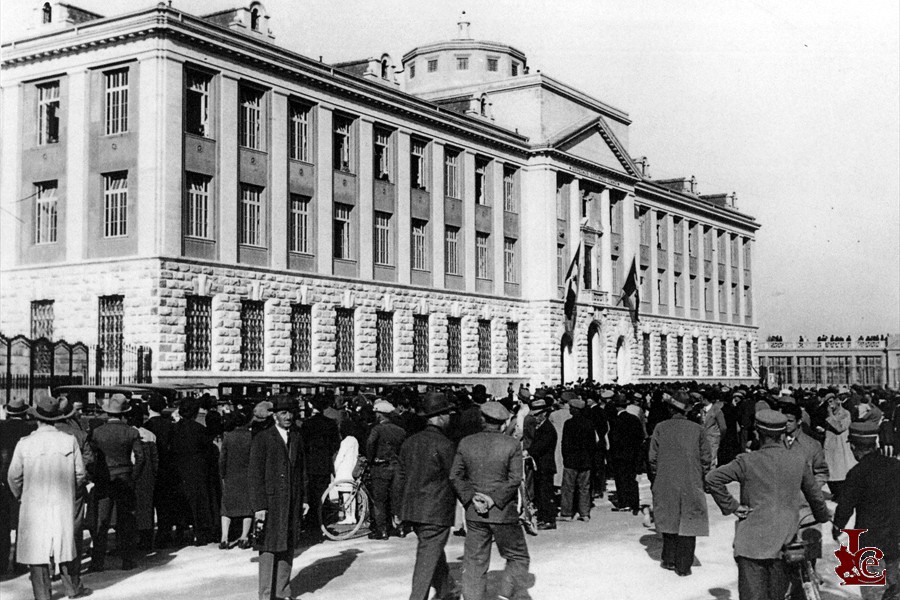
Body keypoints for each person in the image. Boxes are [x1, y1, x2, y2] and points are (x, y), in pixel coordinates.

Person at [706, 409, 831, 600]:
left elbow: (712, 478)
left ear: (757, 432)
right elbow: (815, 496)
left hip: (750, 544)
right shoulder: (798, 461)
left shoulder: (746, 461)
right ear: (782, 434)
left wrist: (732, 506)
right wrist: (823, 515)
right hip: (784, 542)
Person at [7, 393, 89, 600]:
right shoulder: (69, 441)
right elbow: (80, 474)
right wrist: (70, 490)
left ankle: (42, 594)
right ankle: (72, 588)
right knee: (65, 543)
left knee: (37, 548)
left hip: (33, 501)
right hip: (62, 500)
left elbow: (13, 476)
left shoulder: (25, 443)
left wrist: (21, 495)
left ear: (37, 418)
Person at [450, 401, 530, 600]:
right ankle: (505, 593)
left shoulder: (466, 442)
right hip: (503, 513)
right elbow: (515, 479)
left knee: (475, 561)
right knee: (517, 555)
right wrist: (493, 500)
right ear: (504, 423)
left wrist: (471, 498)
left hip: (474, 513)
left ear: (482, 420)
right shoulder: (511, 444)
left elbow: (455, 476)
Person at [397, 392, 460, 600]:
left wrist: (398, 509)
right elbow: (455, 477)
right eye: (448, 414)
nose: (450, 418)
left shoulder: (410, 442)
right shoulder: (445, 444)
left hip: (413, 510)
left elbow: (401, 477)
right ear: (440, 416)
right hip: (436, 511)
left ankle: (445, 591)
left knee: (432, 552)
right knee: (427, 557)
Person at [832, 422, 900, 600]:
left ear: (853, 447)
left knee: (874, 592)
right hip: (895, 540)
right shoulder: (895, 466)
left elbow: (845, 506)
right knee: (895, 590)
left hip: (870, 543)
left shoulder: (857, 473)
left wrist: (837, 527)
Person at [250, 395, 308, 600]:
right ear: (274, 416)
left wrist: (304, 499)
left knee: (287, 545)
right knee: (268, 548)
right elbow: (255, 475)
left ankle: (282, 591)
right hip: (271, 503)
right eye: (283, 413)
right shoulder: (263, 438)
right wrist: (259, 506)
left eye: (291, 412)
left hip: (292, 501)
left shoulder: (297, 438)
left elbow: (302, 471)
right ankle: (265, 595)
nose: (288, 417)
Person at [648, 392, 711, 577]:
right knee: (688, 519)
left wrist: (657, 474)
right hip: (691, 480)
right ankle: (684, 565)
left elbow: (652, 457)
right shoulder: (697, 429)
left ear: (669, 409)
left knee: (669, 516)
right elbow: (706, 458)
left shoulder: (660, 427)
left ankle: (669, 559)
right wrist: (702, 474)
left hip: (665, 479)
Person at [90, 393, 145, 571]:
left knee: (102, 520)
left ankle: (97, 561)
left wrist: (96, 475)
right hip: (125, 477)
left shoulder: (97, 432)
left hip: (104, 479)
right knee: (126, 519)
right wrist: (133, 476)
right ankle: (127, 560)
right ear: (124, 413)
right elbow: (140, 457)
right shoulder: (131, 432)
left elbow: (91, 458)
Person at [171, 397, 218, 546]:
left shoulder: (174, 429)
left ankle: (179, 532)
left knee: (180, 503)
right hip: (197, 470)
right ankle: (200, 533)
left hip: (178, 469)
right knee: (199, 503)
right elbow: (208, 450)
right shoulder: (199, 430)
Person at [0, 397, 37, 576]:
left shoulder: (1, 427)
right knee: (24, 522)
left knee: (2, 524)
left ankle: (1, 562)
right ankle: (19, 563)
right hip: (25, 479)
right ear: (24, 412)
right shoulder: (30, 429)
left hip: (1, 480)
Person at [365, 400, 407, 540]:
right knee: (396, 498)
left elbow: (370, 444)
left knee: (380, 500)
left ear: (380, 415)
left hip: (380, 467)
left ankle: (382, 531)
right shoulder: (400, 431)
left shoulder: (376, 429)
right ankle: (400, 529)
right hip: (397, 467)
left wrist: (371, 459)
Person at [301, 398, 341, 536]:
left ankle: (311, 524)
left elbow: (303, 444)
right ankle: (322, 523)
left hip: (310, 463)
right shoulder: (330, 424)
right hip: (324, 463)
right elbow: (336, 444)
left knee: (311, 495)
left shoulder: (307, 424)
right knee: (323, 495)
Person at [219, 407, 254, 549]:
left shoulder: (228, 436)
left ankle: (224, 537)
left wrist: (222, 474)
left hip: (231, 475)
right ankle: (244, 537)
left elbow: (222, 459)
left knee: (226, 506)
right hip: (247, 475)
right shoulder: (252, 437)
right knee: (247, 506)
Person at [559, 395, 595, 522]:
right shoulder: (589, 424)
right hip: (585, 461)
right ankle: (584, 513)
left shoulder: (569, 424)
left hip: (571, 460)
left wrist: (565, 457)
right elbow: (592, 444)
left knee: (568, 488)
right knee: (584, 488)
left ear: (575, 410)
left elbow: (565, 443)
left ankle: (566, 513)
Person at [127, 406, 159, 551]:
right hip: (147, 474)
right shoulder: (150, 435)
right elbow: (155, 459)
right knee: (146, 507)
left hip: (130, 472)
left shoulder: (128, 433)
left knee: (130, 508)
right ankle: (147, 539)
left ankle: (130, 539)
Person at [608, 394, 645, 514]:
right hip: (633, 454)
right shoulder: (634, 419)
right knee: (632, 480)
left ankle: (624, 503)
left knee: (621, 479)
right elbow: (640, 436)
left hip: (620, 455)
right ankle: (634, 503)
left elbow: (613, 439)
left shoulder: (615, 420)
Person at [820, 392, 855, 503]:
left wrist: (830, 415)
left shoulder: (845, 413)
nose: (829, 405)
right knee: (830, 470)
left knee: (840, 470)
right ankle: (835, 493)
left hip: (841, 446)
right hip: (830, 445)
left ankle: (841, 495)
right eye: (827, 403)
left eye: (831, 402)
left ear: (836, 401)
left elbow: (840, 428)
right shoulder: (830, 414)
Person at [528, 397, 557, 530]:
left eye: (537, 415)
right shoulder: (541, 427)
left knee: (546, 494)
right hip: (541, 466)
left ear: (544, 414)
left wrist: (528, 451)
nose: (535, 418)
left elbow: (540, 447)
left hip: (545, 465)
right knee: (541, 493)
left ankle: (549, 520)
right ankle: (544, 518)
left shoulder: (547, 428)